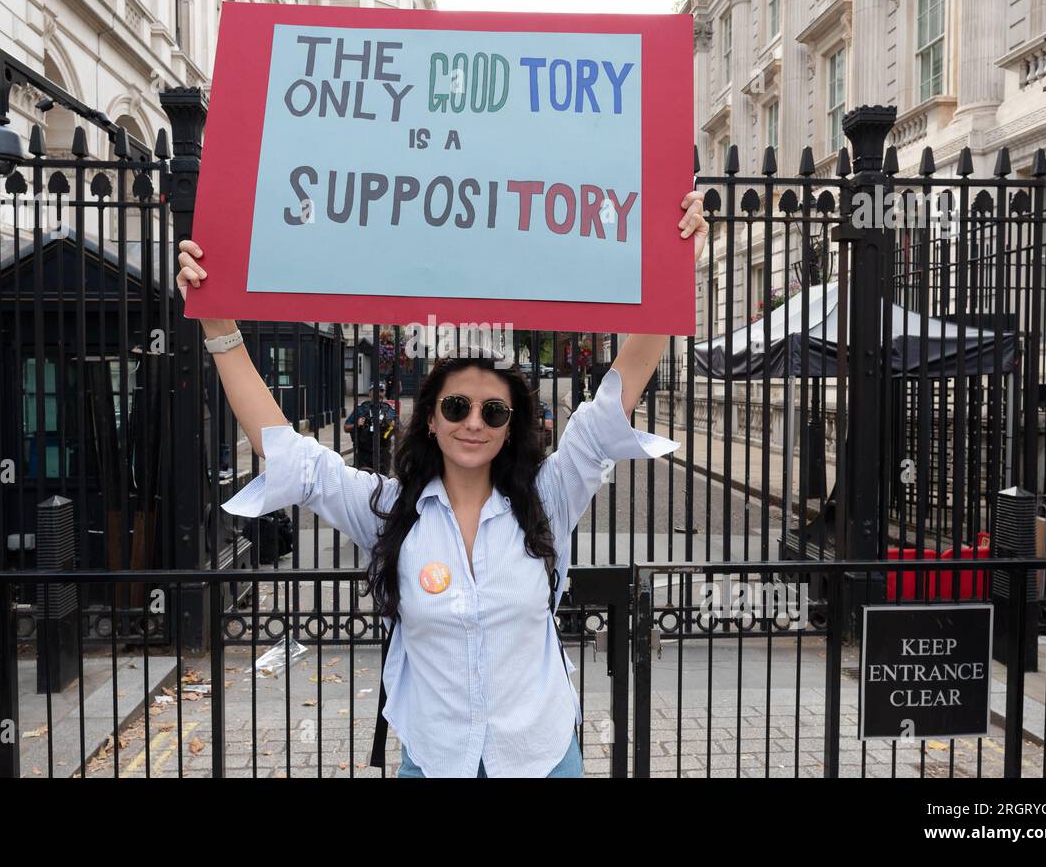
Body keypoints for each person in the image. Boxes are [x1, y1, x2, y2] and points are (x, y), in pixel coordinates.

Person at [176, 191, 708, 778]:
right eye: (456, 406)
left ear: (512, 428)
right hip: (436, 759)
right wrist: (220, 326)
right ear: (431, 417)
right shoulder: (387, 508)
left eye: (494, 412)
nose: (473, 422)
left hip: (541, 755)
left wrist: (670, 265)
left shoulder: (550, 495)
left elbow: (616, 395)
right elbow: (290, 455)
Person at [344, 380, 397, 473]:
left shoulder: (389, 409)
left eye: (381, 390)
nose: (379, 393)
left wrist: (393, 425)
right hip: (363, 453)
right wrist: (356, 424)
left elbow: (400, 429)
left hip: (382, 453)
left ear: (384, 393)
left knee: (382, 482)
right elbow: (346, 427)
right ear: (369, 393)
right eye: (375, 391)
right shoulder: (361, 408)